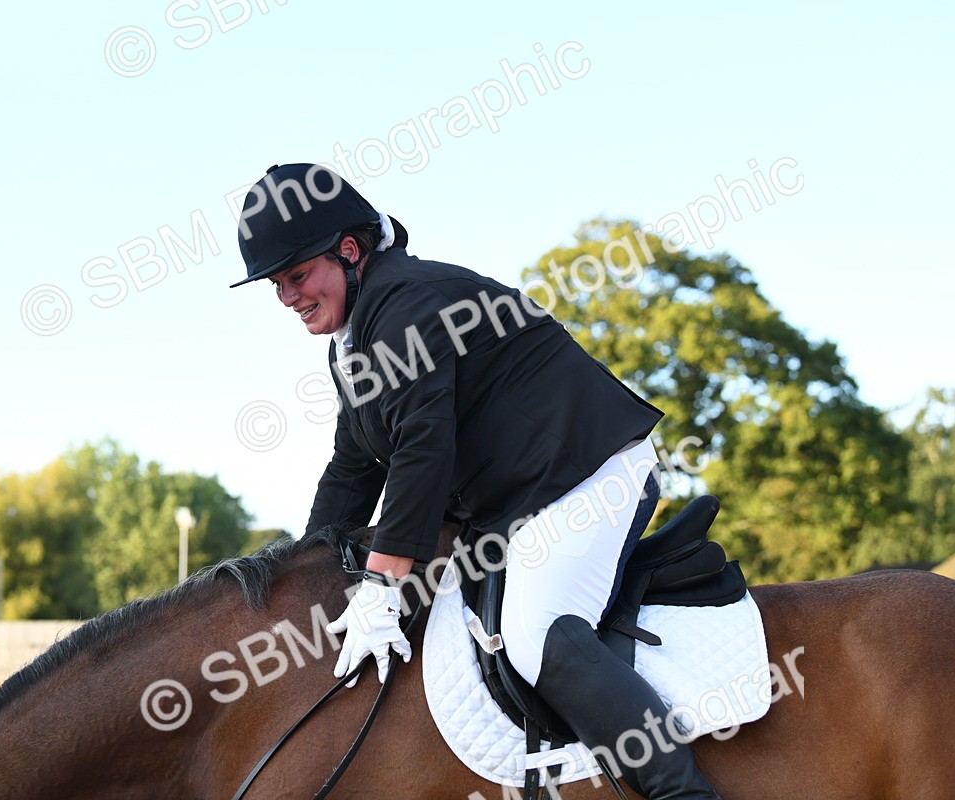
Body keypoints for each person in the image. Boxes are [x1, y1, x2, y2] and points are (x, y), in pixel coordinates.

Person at [230, 163, 721, 799]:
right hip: (517, 502)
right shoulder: (352, 340)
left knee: (534, 633)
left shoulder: (406, 304)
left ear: (348, 252)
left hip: (588, 476)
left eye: (297, 276)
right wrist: (306, 574)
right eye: (277, 283)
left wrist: (382, 583)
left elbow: (423, 452)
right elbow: (352, 467)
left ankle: (682, 793)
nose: (287, 297)